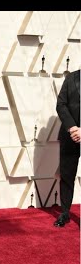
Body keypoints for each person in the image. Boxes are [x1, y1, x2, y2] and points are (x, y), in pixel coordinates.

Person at [54, 69, 80, 227]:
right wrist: (73, 128)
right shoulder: (71, 78)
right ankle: (64, 213)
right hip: (70, 136)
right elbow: (61, 104)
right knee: (67, 175)